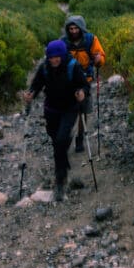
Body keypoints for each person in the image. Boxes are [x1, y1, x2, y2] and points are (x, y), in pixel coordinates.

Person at [24, 39, 86, 200]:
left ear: (62, 55)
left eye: (57, 57)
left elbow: (83, 84)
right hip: (51, 109)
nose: (54, 60)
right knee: (55, 139)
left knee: (60, 140)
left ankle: (60, 180)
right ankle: (63, 160)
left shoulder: (73, 66)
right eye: (51, 57)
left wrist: (81, 92)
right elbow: (36, 84)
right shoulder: (45, 67)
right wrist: (31, 94)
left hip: (69, 109)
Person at [62, 14, 106, 154]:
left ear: (81, 28)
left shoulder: (91, 40)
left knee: (82, 110)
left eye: (76, 28)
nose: (74, 31)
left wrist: (99, 60)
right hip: (68, 82)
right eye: (71, 28)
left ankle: (80, 138)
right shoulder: (63, 42)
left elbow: (100, 56)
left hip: (85, 81)